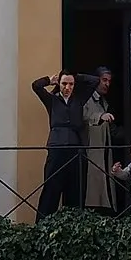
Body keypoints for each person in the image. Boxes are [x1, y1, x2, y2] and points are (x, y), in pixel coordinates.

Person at [30, 71, 89, 219]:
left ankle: (73, 227)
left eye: (71, 84)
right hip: (56, 148)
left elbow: (94, 81)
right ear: (59, 84)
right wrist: (49, 80)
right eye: (64, 83)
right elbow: (36, 86)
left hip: (76, 149)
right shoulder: (52, 100)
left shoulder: (79, 100)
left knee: (75, 191)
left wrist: (77, 77)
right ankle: (43, 225)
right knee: (51, 188)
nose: (67, 87)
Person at [81, 67, 117, 214]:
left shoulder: (103, 102)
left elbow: (112, 130)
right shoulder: (86, 99)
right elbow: (82, 116)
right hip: (91, 152)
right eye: (104, 80)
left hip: (103, 152)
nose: (107, 84)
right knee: (94, 189)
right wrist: (99, 117)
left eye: (109, 81)